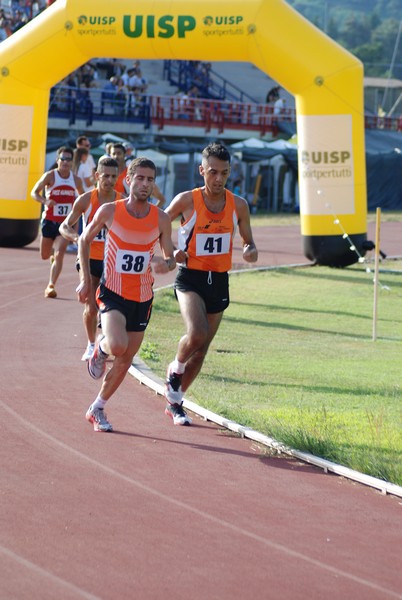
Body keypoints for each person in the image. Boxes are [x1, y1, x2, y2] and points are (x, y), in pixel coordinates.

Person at [76, 157, 176, 432]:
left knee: (125, 359)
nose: (145, 184)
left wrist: (165, 264)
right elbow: (84, 239)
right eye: (140, 178)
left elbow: (170, 259)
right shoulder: (110, 211)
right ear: (128, 180)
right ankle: (100, 348)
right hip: (112, 293)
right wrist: (85, 279)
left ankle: (97, 408)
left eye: (150, 179)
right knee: (117, 345)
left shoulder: (161, 218)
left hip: (142, 298)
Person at [164, 142, 258, 425]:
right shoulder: (186, 200)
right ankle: (175, 369)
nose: (218, 179)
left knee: (203, 349)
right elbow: (158, 224)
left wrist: (250, 250)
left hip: (218, 279)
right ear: (201, 170)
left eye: (224, 173)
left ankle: (176, 402)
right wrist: (171, 252)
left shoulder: (238, 204)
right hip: (190, 277)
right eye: (213, 172)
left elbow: (249, 241)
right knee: (197, 334)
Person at [59, 156, 120, 361]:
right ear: (97, 176)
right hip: (89, 257)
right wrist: (78, 238)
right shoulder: (86, 199)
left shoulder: (122, 200)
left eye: (113, 176)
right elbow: (64, 226)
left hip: (113, 260)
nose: (109, 181)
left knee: (110, 304)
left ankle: (103, 341)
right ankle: (91, 344)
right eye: (105, 176)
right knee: (91, 305)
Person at [31, 146, 84, 298]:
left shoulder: (76, 180)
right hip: (49, 221)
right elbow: (33, 192)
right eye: (63, 159)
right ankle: (52, 259)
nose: (66, 162)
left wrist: (78, 219)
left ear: (72, 162)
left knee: (60, 253)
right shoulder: (50, 176)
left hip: (64, 225)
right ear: (58, 160)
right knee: (44, 255)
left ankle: (51, 285)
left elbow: (83, 200)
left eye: (69, 159)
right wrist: (44, 201)